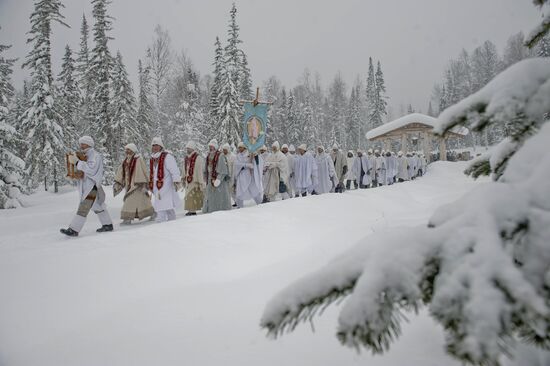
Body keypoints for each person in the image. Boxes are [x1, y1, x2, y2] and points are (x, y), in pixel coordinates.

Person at [60, 136, 113, 236]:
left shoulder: (95, 156)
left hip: (91, 186)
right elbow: (83, 170)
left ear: (89, 144)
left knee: (83, 207)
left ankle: (74, 229)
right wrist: (75, 174)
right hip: (86, 186)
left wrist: (77, 162)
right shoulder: (84, 155)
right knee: (96, 206)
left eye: (83, 143)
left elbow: (91, 170)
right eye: (81, 144)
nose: (81, 146)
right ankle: (107, 225)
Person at [113, 143, 154, 224]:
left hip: (137, 185)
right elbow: (121, 171)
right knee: (143, 202)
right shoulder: (126, 160)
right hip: (129, 185)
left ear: (133, 150)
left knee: (129, 202)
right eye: (126, 150)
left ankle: (127, 219)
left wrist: (142, 182)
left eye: (129, 149)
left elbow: (143, 170)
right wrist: (119, 181)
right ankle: (153, 213)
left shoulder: (138, 159)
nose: (127, 151)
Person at [149, 137, 182, 222]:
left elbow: (174, 169)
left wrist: (176, 181)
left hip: (166, 186)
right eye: (153, 146)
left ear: (161, 146)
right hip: (158, 187)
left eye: (157, 145)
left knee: (163, 206)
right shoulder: (153, 159)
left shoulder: (167, 157)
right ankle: (172, 221)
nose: (155, 147)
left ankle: (161, 222)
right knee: (166, 206)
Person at [203, 139, 232, 213]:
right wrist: (205, 176)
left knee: (220, 197)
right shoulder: (208, 156)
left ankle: (221, 210)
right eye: (210, 146)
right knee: (211, 197)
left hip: (219, 181)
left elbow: (223, 170)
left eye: (212, 147)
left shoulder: (220, 155)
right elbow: (205, 168)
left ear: (215, 147)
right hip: (210, 179)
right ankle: (211, 210)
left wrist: (218, 179)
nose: (210, 148)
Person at [234, 142, 264, 208]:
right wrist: (246, 165)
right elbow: (236, 164)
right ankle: (239, 206)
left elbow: (257, 163)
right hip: (242, 175)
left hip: (250, 175)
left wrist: (255, 157)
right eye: (239, 147)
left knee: (254, 190)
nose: (239, 149)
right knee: (240, 191)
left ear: (244, 147)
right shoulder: (238, 156)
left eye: (240, 147)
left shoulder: (250, 154)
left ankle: (260, 203)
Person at [182, 141, 205, 216]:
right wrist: (183, 176)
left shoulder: (198, 157)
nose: (187, 150)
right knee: (188, 196)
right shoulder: (186, 158)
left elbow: (199, 170)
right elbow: (184, 168)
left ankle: (193, 210)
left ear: (192, 149)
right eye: (187, 148)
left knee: (192, 196)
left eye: (189, 149)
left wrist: (200, 181)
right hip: (187, 179)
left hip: (194, 180)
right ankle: (190, 209)